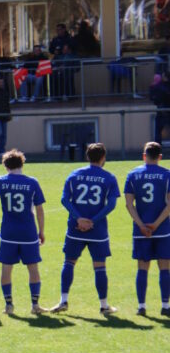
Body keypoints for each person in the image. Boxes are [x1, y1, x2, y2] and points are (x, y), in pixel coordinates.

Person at [51, 143, 120, 315]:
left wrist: (79, 219)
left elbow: (64, 200)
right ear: (103, 157)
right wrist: (92, 221)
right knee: (100, 267)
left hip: (75, 228)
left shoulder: (74, 175)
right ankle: (104, 305)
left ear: (87, 156)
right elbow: (111, 205)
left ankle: (63, 301)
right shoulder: (109, 178)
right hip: (97, 230)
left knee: (69, 262)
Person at [0, 150, 47, 315]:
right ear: (22, 163)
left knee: (6, 268)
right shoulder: (32, 182)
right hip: (28, 231)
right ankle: (35, 305)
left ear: (5, 166)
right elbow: (39, 209)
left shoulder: (0, 181)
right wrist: (41, 231)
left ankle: (9, 305)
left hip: (8, 232)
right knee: (33, 268)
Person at [124, 142, 170, 316]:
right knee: (164, 267)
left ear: (144, 156)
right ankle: (165, 306)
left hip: (141, 231)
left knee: (142, 267)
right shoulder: (167, 175)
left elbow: (129, 204)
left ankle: (141, 306)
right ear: (160, 157)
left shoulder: (132, 175)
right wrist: (156, 224)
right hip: (163, 229)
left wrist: (141, 225)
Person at [151, 74, 170, 143]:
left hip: (162, 110)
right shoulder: (161, 86)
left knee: (158, 129)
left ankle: (157, 145)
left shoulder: (159, 86)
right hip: (165, 109)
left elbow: (154, 99)